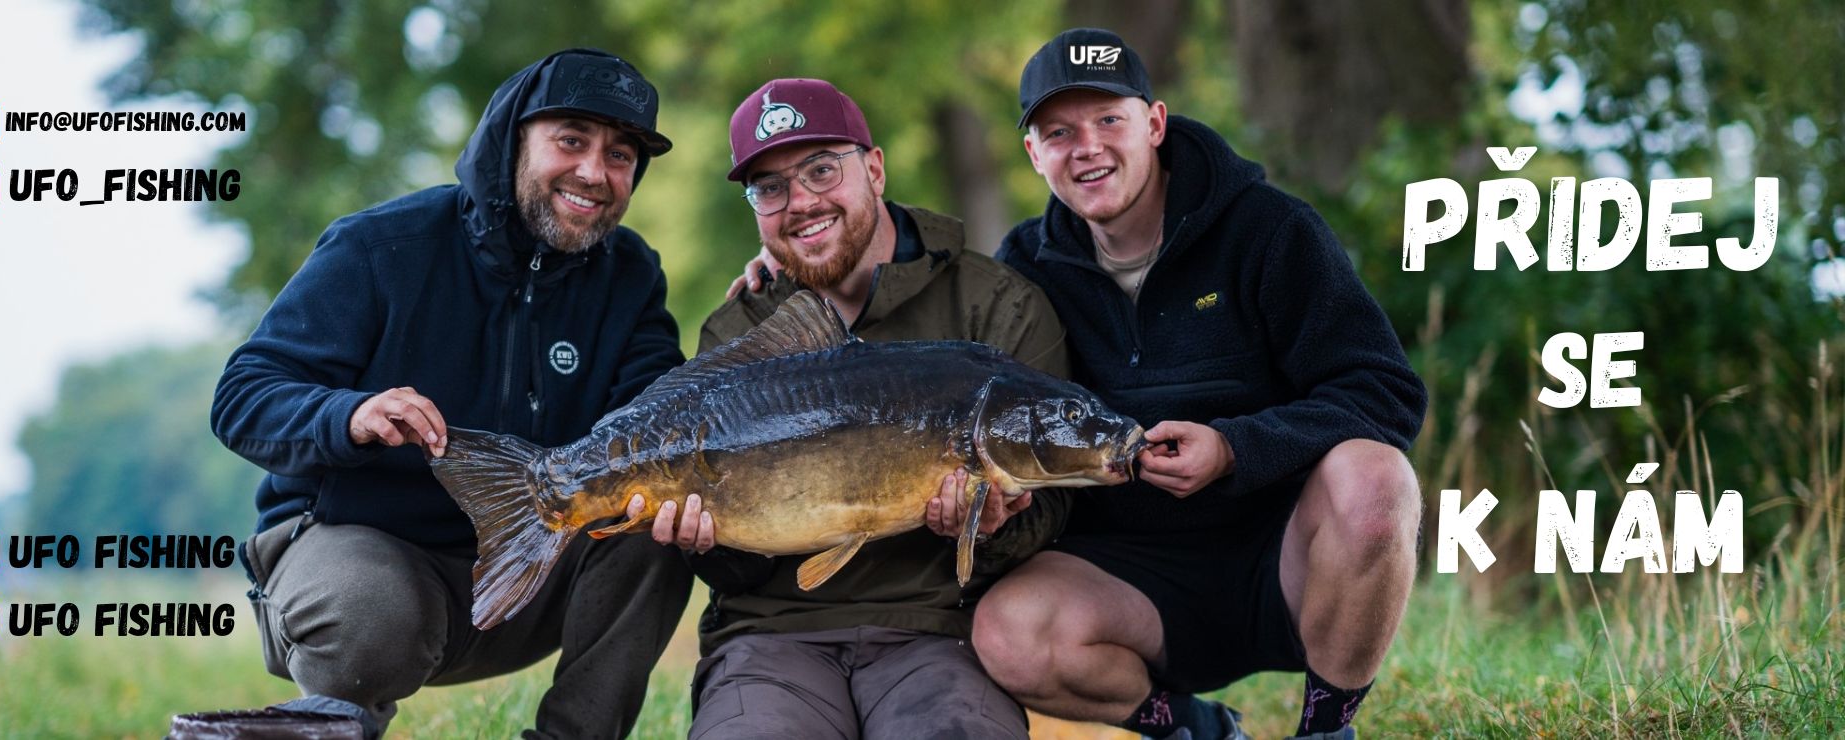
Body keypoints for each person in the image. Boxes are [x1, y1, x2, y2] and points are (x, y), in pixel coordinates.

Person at [210, 49, 690, 739]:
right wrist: (350, 415)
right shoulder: (380, 248)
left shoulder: (631, 275)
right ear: (512, 138)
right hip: (373, 565)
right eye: (571, 140)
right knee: (371, 610)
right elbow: (243, 396)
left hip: (532, 571)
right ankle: (332, 726)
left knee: (653, 517)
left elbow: (662, 411)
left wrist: (773, 297)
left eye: (621, 155)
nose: (594, 172)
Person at [971, 29, 1430, 740]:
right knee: (1006, 632)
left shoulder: (1269, 230)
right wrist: (793, 269)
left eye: (1108, 122)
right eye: (1059, 132)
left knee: (1377, 479)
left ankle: (1326, 728)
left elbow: (1385, 392)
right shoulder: (1025, 268)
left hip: (1284, 556)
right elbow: (950, 365)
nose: (1086, 147)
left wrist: (1237, 448)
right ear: (1034, 155)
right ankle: (1195, 729)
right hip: (1127, 578)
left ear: (1154, 125)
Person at [648, 77, 1069, 739]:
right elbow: (723, 567)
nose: (800, 202)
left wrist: (993, 525)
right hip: (769, 639)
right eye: (771, 187)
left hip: (938, 635)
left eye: (821, 170)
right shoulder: (738, 331)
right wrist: (703, 543)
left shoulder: (996, 304)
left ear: (874, 168)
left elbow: (1053, 508)